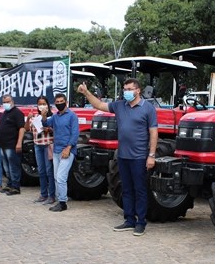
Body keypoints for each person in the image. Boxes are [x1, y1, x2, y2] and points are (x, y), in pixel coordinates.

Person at [77, 78, 158, 236]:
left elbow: (153, 132)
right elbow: (99, 105)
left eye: (129, 89)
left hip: (139, 156)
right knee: (126, 189)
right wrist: (86, 93)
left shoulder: (148, 108)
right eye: (124, 88)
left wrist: (151, 155)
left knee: (140, 189)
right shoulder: (120, 105)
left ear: (138, 90)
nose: (126, 91)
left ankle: (141, 222)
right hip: (123, 155)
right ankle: (129, 220)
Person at [41, 93, 79, 212]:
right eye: (57, 102)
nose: (59, 104)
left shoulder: (72, 116)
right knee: (57, 177)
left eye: (61, 101)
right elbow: (46, 124)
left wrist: (68, 148)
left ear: (66, 102)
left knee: (61, 177)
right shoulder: (56, 116)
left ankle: (63, 202)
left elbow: (75, 134)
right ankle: (60, 200)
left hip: (67, 150)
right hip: (57, 150)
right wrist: (43, 116)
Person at [25, 96, 55, 205]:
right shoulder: (35, 117)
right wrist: (28, 118)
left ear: (47, 105)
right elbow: (27, 129)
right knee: (41, 171)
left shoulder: (52, 117)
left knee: (49, 171)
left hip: (48, 144)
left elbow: (55, 130)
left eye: (44, 103)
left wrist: (49, 129)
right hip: (38, 145)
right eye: (40, 104)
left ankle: (52, 195)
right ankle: (43, 194)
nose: (42, 106)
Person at [0, 95, 25, 196]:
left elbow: (21, 128)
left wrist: (19, 143)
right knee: (6, 167)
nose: (6, 104)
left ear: (12, 101)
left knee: (14, 166)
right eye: (4, 102)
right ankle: (10, 184)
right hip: (3, 144)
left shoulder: (17, 113)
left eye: (8, 101)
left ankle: (16, 187)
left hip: (12, 144)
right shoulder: (5, 113)